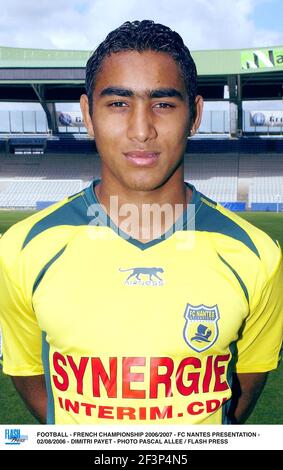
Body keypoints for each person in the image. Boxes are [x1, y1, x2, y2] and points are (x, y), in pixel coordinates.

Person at [0, 20, 282, 425]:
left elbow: (246, 384)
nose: (141, 129)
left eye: (163, 104)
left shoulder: (255, 255)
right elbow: (28, 373)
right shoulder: (24, 247)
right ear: (87, 114)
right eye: (118, 104)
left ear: (195, 115)